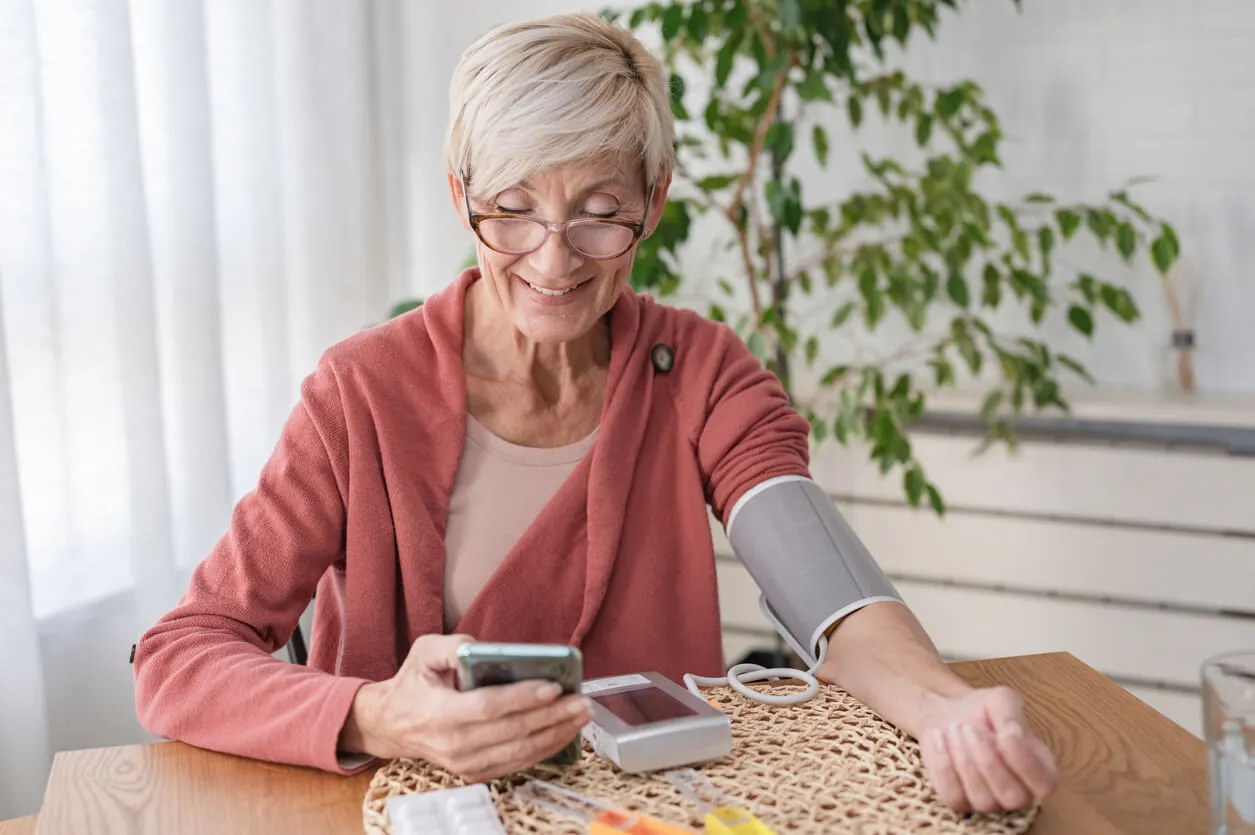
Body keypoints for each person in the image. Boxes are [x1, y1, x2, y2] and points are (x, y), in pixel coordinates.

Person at [133, 12, 1058, 815]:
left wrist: (945, 708)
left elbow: (829, 595)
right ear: (461, 197)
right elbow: (180, 655)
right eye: (512, 208)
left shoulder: (700, 372)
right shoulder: (358, 392)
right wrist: (376, 713)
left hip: (647, 816)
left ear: (653, 204)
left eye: (599, 211)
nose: (553, 257)